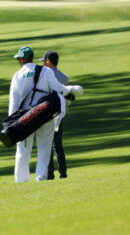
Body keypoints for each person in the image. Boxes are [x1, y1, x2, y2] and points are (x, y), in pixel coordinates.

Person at [9, 46, 81, 183]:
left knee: (23, 151)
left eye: (19, 58)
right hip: (44, 115)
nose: (19, 61)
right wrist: (70, 89)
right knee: (44, 148)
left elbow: (14, 102)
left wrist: (13, 123)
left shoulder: (17, 75)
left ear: (23, 59)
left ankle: (21, 180)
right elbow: (59, 88)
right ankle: (41, 178)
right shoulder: (45, 71)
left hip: (25, 118)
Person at [40, 50, 70, 179]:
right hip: (60, 113)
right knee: (58, 145)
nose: (43, 63)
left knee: (47, 144)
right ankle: (63, 173)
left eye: (44, 61)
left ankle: (50, 174)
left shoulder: (44, 76)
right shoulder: (64, 77)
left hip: (47, 114)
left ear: (48, 61)